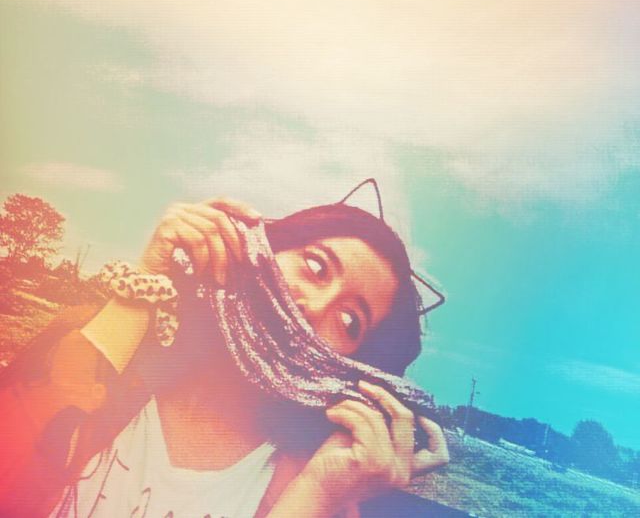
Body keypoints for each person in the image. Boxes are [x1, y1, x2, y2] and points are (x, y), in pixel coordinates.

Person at [0, 192, 450, 518]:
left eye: (350, 321)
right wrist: (144, 285)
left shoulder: (315, 484)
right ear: (264, 246)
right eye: (315, 266)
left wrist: (317, 494)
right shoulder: (106, 351)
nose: (314, 306)